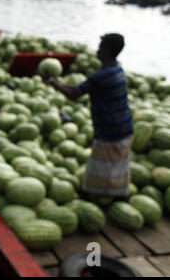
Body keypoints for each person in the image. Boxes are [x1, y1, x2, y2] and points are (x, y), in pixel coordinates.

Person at [42, 33, 133, 199]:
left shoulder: (101, 76)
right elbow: (80, 88)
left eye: (100, 47)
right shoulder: (117, 69)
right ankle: (120, 194)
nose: (97, 50)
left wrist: (53, 82)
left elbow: (74, 94)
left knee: (97, 165)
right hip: (124, 125)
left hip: (110, 128)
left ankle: (87, 194)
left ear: (107, 50)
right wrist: (60, 83)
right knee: (119, 164)